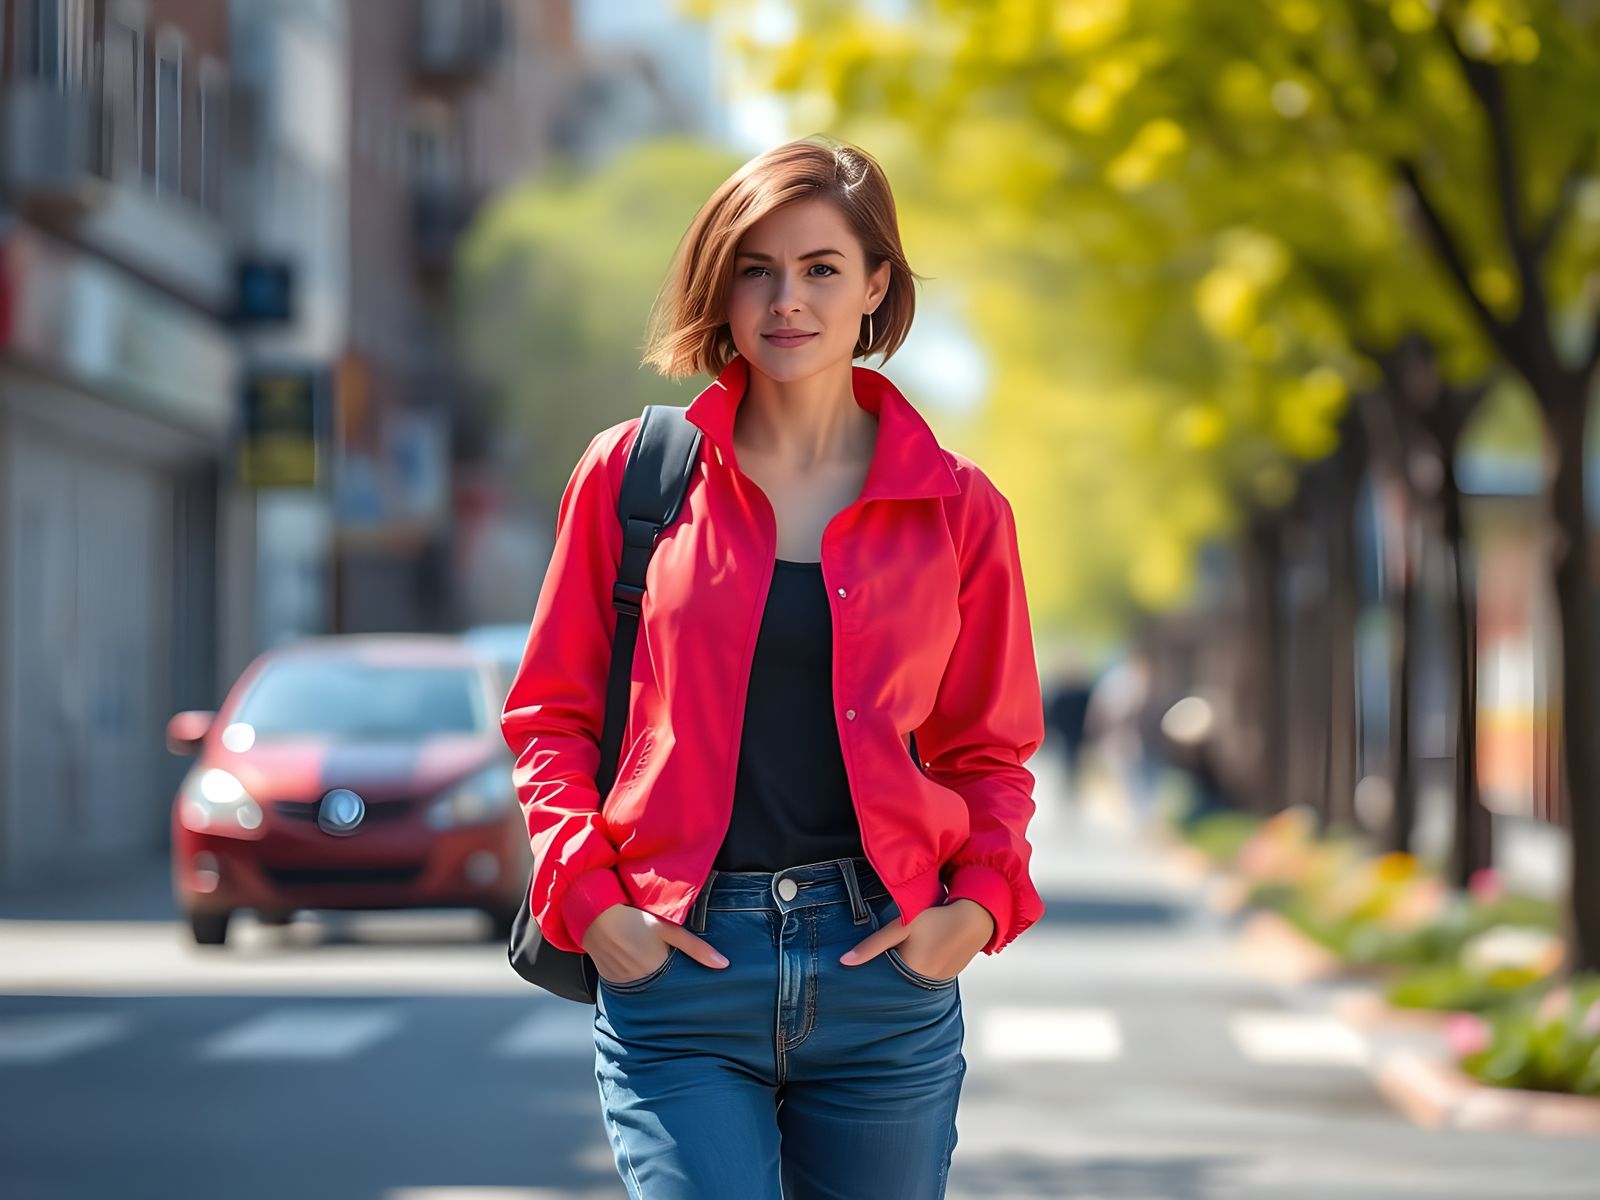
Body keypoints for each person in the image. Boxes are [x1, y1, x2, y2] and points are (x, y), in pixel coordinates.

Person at [501, 136, 1046, 1200]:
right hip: (679, 968)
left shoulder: (958, 508)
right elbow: (550, 715)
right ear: (722, 285)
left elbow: (989, 748)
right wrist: (593, 901)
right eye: (756, 268)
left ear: (875, 285)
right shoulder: (633, 475)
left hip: (880, 972)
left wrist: (973, 911)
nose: (785, 300)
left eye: (820, 269)